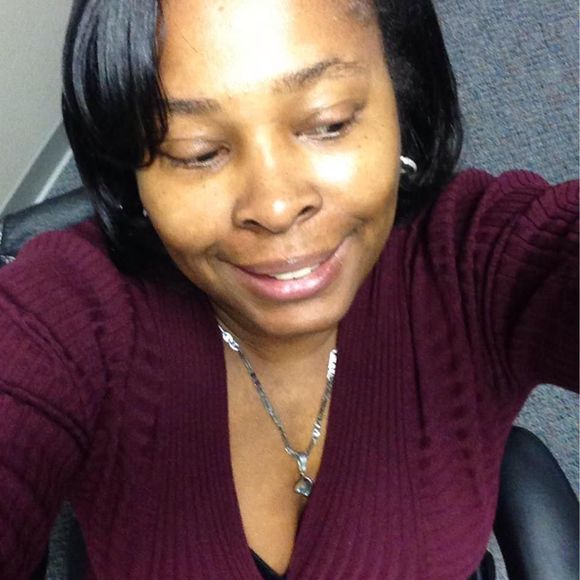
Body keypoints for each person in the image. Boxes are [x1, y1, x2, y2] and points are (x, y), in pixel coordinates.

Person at [0, 0, 577, 578]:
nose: (276, 207)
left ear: (401, 97)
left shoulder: (474, 257)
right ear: (135, 173)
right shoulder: (73, 311)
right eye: (196, 152)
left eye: (330, 123)